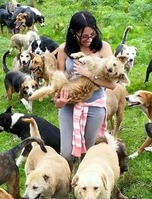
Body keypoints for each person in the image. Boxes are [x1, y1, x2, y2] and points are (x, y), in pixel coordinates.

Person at [53, 10, 116, 170]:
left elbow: (112, 85)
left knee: (87, 152)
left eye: (92, 35)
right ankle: (65, 183)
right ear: (73, 33)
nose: (89, 39)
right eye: (84, 36)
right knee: (66, 154)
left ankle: (83, 184)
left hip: (94, 105)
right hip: (70, 104)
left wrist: (88, 74)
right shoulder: (64, 50)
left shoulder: (104, 49)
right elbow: (58, 82)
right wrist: (58, 102)